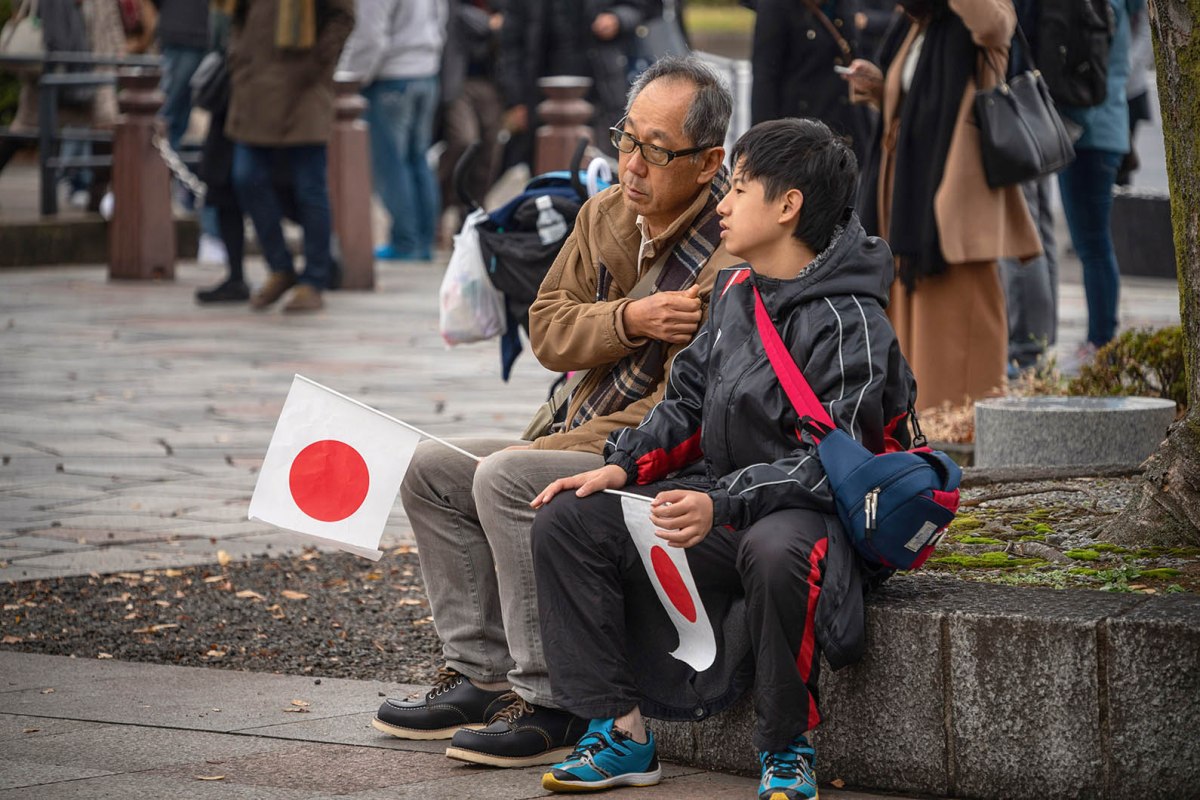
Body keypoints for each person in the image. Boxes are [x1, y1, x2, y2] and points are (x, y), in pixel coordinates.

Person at [528, 117, 916, 799]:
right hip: (722, 500)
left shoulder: (852, 321)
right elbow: (685, 404)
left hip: (809, 515)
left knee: (775, 547)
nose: (724, 205)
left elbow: (832, 463)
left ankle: (786, 749)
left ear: (788, 205)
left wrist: (723, 503)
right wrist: (623, 466)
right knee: (570, 517)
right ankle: (620, 732)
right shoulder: (737, 291)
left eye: (738, 188)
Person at [372, 55, 741, 770]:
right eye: (626, 139)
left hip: (659, 457)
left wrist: (555, 449)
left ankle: (554, 697)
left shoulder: (728, 249)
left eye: (657, 150)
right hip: (575, 427)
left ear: (708, 162)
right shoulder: (605, 213)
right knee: (430, 469)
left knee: (506, 477)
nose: (633, 165)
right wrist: (629, 319)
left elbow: (681, 409)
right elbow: (546, 330)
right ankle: (479, 675)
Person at [846, 0, 1040, 411]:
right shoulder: (920, 22)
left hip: (952, 202)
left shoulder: (978, 18)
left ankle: (964, 420)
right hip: (907, 195)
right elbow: (916, 102)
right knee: (911, 316)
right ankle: (919, 419)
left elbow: (995, 26)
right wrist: (879, 89)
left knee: (956, 316)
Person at [224, 0, 355, 313]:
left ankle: (314, 279)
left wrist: (316, 63)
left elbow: (342, 16)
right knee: (246, 177)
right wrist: (238, 53)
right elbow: (237, 12)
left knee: (310, 189)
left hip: (304, 89)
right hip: (254, 86)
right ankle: (280, 267)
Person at [1056, 0, 1145, 357]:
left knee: (1092, 244)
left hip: (1088, 132)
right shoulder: (1120, 8)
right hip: (1107, 126)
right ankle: (1101, 339)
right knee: (1094, 243)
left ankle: (1100, 341)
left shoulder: (1095, 6)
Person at [339, 0, 446, 262]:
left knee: (393, 164)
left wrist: (349, 78)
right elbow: (441, 21)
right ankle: (422, 242)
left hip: (391, 76)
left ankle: (406, 242)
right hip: (426, 72)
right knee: (417, 160)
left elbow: (370, 36)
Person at [495, 0, 656, 160]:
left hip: (603, 90)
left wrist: (617, 19)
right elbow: (510, 44)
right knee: (549, 162)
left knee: (604, 161)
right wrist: (516, 100)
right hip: (542, 95)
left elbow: (644, 6)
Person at [1000, 0, 1058, 375]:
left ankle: (1027, 346)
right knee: (1039, 228)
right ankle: (1041, 337)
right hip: (1031, 109)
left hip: (1010, 114)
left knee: (1019, 230)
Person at [750, 0, 870, 162]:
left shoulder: (843, 4)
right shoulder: (777, 6)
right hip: (801, 140)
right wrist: (763, 147)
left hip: (847, 132)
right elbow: (765, 78)